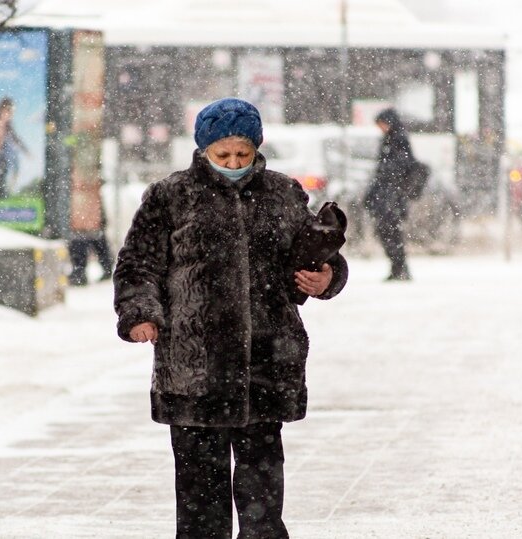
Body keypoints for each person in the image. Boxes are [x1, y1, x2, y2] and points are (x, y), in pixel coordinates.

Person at [113, 97, 348, 539]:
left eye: (243, 153)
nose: (234, 163)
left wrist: (327, 276)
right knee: (201, 498)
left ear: (257, 148)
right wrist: (139, 314)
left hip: (265, 359)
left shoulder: (283, 192)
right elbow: (137, 266)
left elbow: (315, 256)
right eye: (223, 155)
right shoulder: (170, 196)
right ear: (203, 150)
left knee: (263, 493)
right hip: (194, 366)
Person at [365, 108, 414, 281]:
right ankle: (398, 267)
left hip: (391, 196)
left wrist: (387, 182)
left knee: (390, 231)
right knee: (389, 232)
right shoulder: (391, 139)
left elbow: (401, 166)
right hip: (388, 195)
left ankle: (399, 266)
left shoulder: (397, 139)